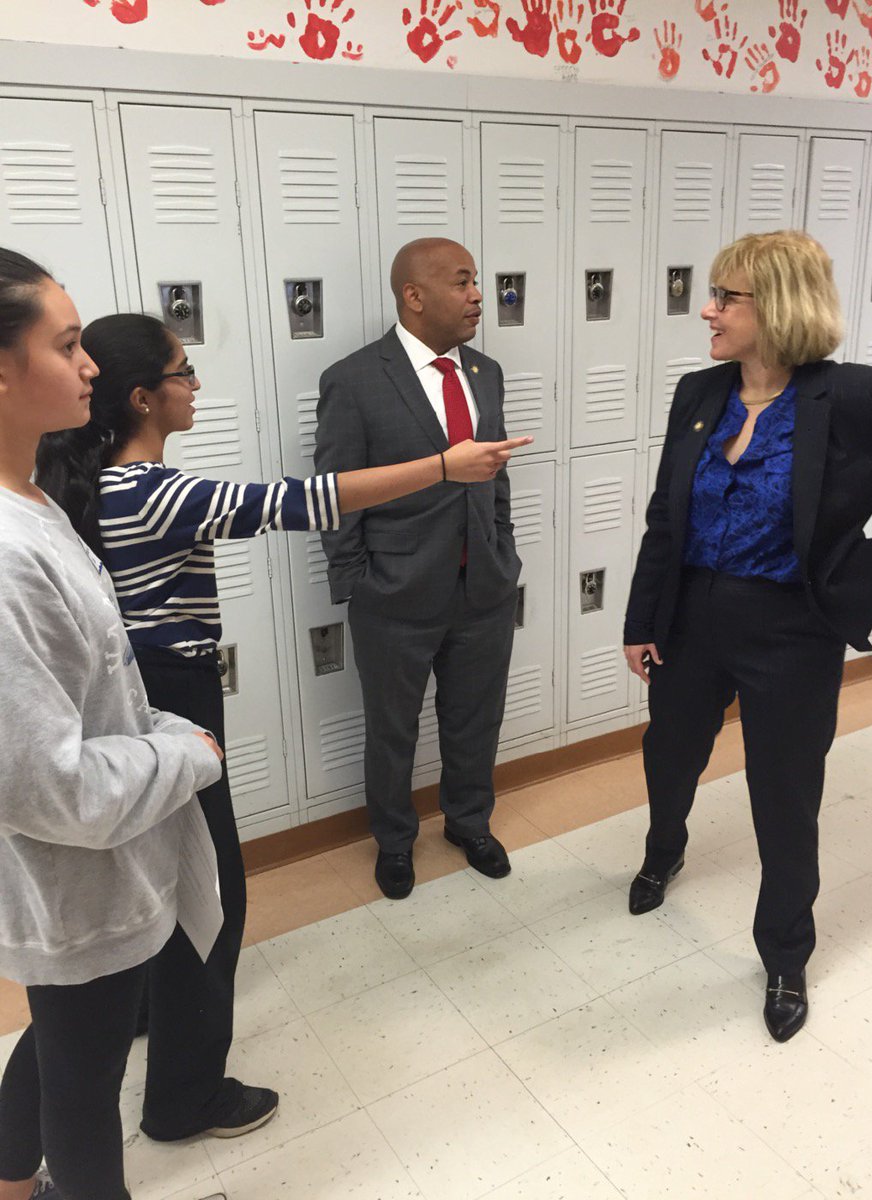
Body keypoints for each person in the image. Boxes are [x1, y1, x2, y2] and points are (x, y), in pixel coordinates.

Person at [35, 310, 529, 1142]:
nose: (196, 386)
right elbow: (305, 500)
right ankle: (185, 1099)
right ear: (144, 398)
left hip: (127, 703)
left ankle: (153, 1018)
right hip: (173, 700)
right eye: (184, 373)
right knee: (211, 896)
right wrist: (445, 465)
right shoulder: (152, 493)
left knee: (161, 877)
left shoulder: (74, 490)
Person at [623, 229, 872, 1043]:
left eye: (725, 297)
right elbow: (666, 516)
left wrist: (868, 567)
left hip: (791, 628)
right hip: (692, 613)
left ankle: (784, 953)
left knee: (785, 795)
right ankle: (662, 848)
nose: (706, 310)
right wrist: (643, 620)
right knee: (669, 751)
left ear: (776, 304)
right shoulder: (700, 393)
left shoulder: (852, 397)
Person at [0, 249, 225, 1200]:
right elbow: (47, 785)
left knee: (62, 1043)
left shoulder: (36, 503)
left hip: (92, 869)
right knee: (87, 1088)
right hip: (77, 868)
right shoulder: (6, 556)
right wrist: (184, 752)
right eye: (65, 345)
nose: (91, 364)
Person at [314, 237, 523, 900]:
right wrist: (356, 582)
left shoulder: (484, 372)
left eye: (476, 282)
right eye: (462, 282)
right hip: (394, 595)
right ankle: (396, 840)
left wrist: (505, 552)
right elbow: (335, 493)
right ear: (414, 295)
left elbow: (496, 477)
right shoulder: (353, 380)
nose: (476, 296)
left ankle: (469, 823)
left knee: (476, 719)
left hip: (482, 588)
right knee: (392, 729)